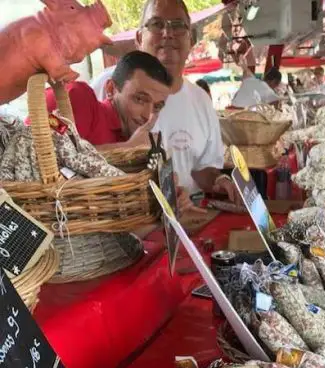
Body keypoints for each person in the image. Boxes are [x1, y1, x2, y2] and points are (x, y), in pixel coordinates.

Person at [92, 0, 239, 203]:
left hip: (185, 221)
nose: (168, 33)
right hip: (120, 224)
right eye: (156, 24)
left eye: (178, 25)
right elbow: (71, 156)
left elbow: (203, 168)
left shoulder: (201, 101)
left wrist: (220, 180)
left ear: (192, 39)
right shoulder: (108, 85)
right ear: (138, 37)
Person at [44, 51, 202, 217]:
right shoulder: (78, 96)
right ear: (111, 89)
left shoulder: (139, 139)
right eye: (140, 99)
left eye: (157, 107)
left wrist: (169, 195)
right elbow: (36, 158)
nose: (147, 115)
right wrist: (128, 148)